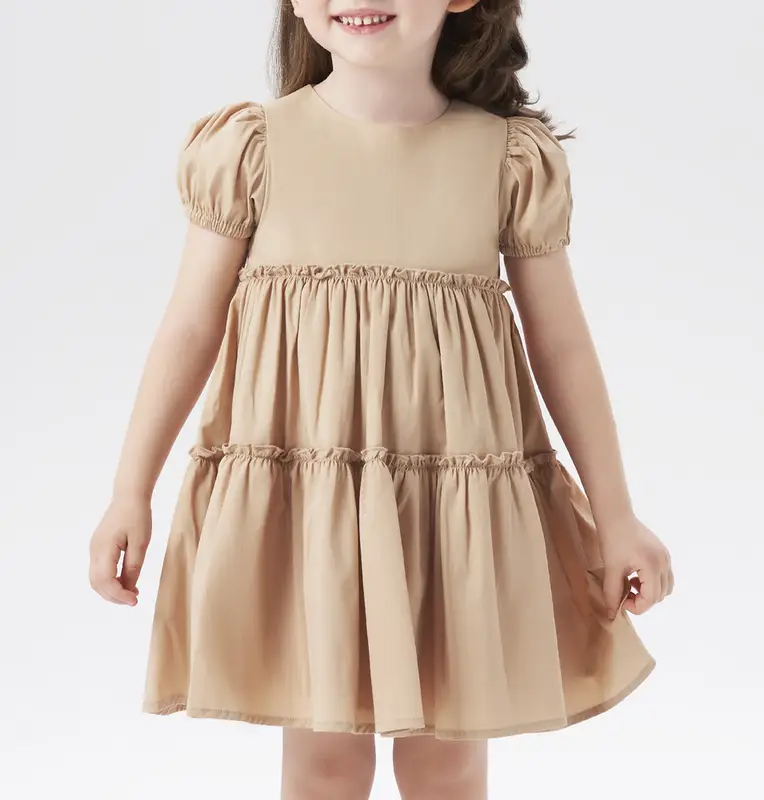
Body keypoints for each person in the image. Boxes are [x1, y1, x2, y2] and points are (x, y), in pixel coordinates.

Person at [89, 1, 674, 798]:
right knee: (324, 762)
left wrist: (617, 514)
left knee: (447, 761)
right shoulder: (253, 147)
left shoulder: (505, 159)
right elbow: (189, 326)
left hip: (453, 517)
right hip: (314, 509)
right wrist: (130, 490)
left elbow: (562, 346)